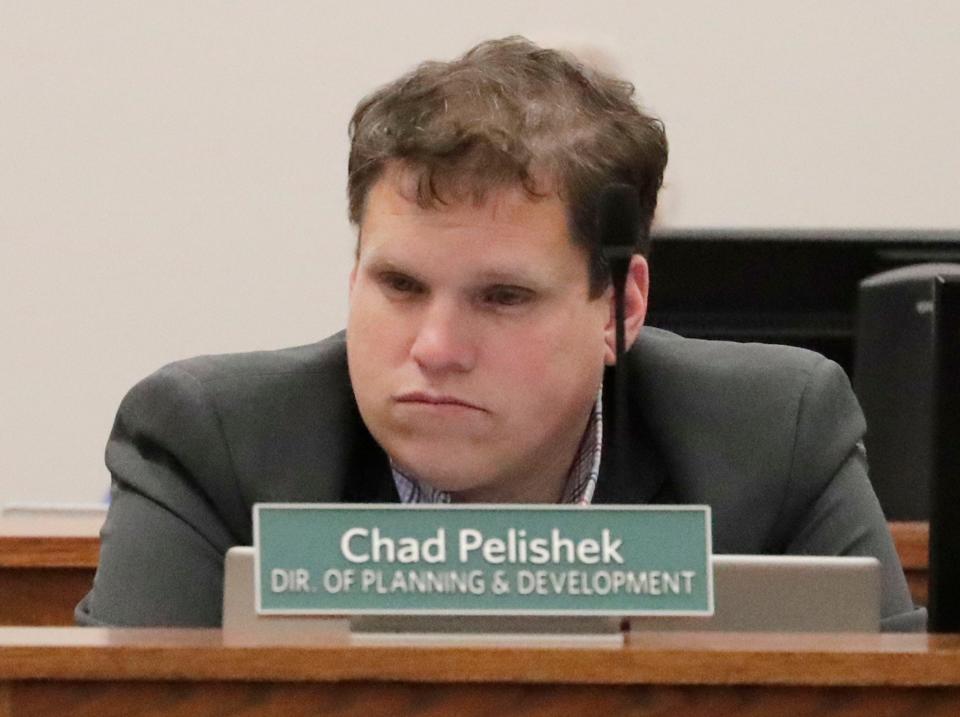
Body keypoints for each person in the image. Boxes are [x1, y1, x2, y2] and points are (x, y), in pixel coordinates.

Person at [76, 36, 923, 630]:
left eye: (504, 297)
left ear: (622, 309)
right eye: (399, 284)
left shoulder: (774, 436)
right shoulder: (210, 443)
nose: (435, 346)